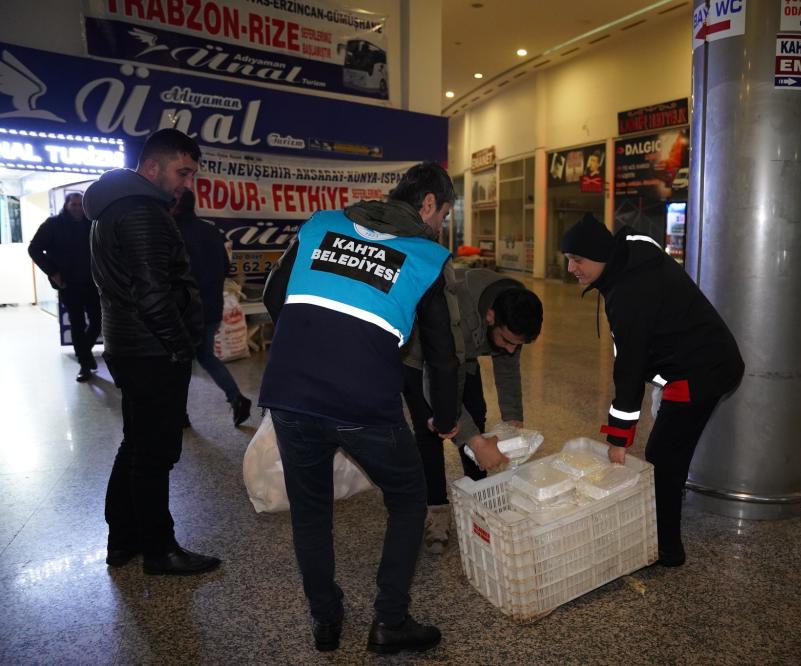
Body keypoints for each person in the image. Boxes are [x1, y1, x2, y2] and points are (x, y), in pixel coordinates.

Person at [259, 162, 460, 655]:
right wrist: (447, 416)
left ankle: (325, 620)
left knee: (310, 512)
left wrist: (313, 343)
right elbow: (441, 354)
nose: (441, 226)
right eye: (444, 214)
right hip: (363, 402)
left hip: (290, 392)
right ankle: (390, 621)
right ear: (429, 204)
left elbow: (272, 295)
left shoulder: (322, 224)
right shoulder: (427, 257)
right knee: (409, 499)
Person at [560, 212, 744, 567]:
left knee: (664, 457)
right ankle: (663, 532)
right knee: (668, 449)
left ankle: (667, 549)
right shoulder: (631, 253)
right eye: (569, 260)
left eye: (577, 260)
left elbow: (628, 368)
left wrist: (618, 437)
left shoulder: (628, 292)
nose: (571, 269)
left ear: (600, 256)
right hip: (699, 359)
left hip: (701, 371)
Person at [84, 128, 220, 576]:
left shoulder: (112, 207)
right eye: (182, 172)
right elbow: (153, 294)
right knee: (156, 453)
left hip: (130, 345)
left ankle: (123, 537)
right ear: (152, 166)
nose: (186, 183)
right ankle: (160, 550)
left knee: (138, 444)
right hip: (151, 349)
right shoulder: (142, 211)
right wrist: (182, 348)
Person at [402, 268, 543, 553]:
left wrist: (512, 420)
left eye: (519, 344)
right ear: (490, 316)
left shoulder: (514, 307)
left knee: (475, 413)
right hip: (421, 357)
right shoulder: (460, 309)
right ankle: (437, 512)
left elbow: (508, 366)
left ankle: (478, 499)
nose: (512, 350)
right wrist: (476, 442)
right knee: (431, 431)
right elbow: (439, 380)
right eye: (507, 341)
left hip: (462, 354)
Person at [171, 189, 252, 427]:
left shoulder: (171, 231)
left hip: (183, 309)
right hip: (211, 307)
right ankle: (236, 398)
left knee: (180, 361)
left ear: (175, 204)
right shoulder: (211, 230)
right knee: (206, 356)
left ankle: (180, 414)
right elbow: (225, 267)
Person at [28, 192, 101, 381]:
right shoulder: (53, 224)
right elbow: (34, 248)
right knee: (77, 324)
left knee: (97, 322)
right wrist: (53, 272)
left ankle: (85, 354)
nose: (77, 208)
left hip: (92, 282)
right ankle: (85, 365)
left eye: (80, 204)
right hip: (68, 284)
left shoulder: (91, 222)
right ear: (66, 205)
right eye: (73, 205)